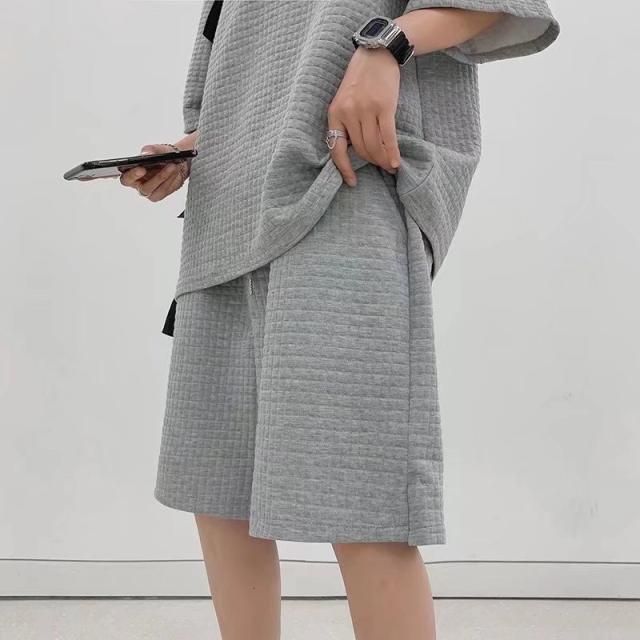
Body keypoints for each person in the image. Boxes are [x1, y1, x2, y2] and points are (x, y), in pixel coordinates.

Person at [120, 2, 559, 638]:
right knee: (218, 487)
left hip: (347, 190)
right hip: (226, 217)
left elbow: (500, 7)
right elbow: (245, 81)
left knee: (364, 500)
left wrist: (387, 46)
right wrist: (188, 152)